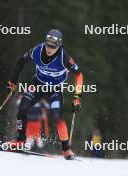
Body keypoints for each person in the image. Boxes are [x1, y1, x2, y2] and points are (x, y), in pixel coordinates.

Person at [7, 29, 83, 160]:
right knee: (23, 108)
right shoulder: (37, 50)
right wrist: (12, 82)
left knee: (56, 116)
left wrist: (77, 98)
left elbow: (79, 75)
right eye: (48, 45)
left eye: (53, 47)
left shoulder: (64, 57)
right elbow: (21, 61)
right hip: (38, 84)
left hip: (55, 89)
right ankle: (19, 141)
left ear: (59, 46)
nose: (49, 49)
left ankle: (66, 150)